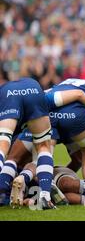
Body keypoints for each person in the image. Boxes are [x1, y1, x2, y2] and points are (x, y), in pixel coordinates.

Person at [0, 78, 55, 209]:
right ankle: (45, 197)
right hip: (34, 88)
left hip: (8, 93)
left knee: (3, 145)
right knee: (43, 146)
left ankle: (3, 191)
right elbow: (77, 94)